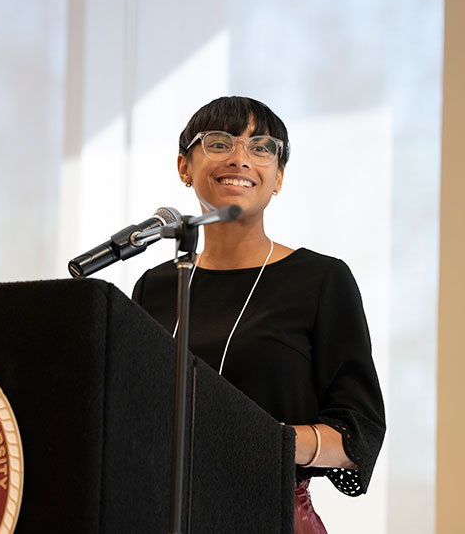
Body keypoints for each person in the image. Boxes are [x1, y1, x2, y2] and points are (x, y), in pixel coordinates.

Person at [131, 96, 385, 533]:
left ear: (279, 176)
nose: (241, 158)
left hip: (270, 516)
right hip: (161, 514)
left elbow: (356, 436)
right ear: (184, 167)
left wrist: (262, 442)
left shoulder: (320, 280)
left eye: (262, 148)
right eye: (218, 143)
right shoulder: (155, 287)